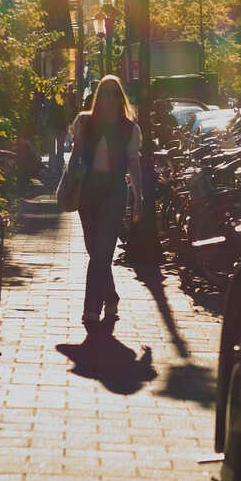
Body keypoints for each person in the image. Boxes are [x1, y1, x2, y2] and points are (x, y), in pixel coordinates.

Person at [70, 75, 144, 326]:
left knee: (102, 252)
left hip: (114, 191)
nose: (109, 98)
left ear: (120, 97)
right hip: (88, 190)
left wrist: (138, 198)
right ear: (98, 95)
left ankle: (92, 309)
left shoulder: (129, 128)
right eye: (105, 92)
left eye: (114, 93)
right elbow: (76, 155)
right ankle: (110, 296)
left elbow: (133, 162)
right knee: (95, 250)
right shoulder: (84, 121)